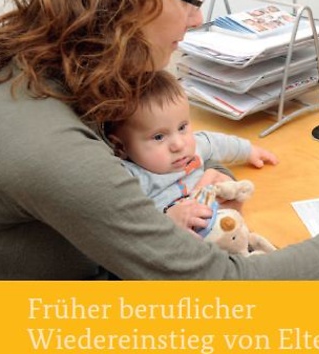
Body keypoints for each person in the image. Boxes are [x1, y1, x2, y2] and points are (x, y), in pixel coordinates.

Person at [0, 0, 319, 280]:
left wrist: (212, 176)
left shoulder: (71, 73)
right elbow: (223, 288)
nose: (198, 18)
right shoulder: (49, 145)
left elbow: (166, 160)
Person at [105, 69, 278, 233]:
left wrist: (248, 150)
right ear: (120, 147)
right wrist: (168, 219)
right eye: (159, 137)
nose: (179, 145)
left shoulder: (195, 146)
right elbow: (128, 222)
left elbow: (216, 142)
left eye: (182, 127)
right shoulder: (130, 178)